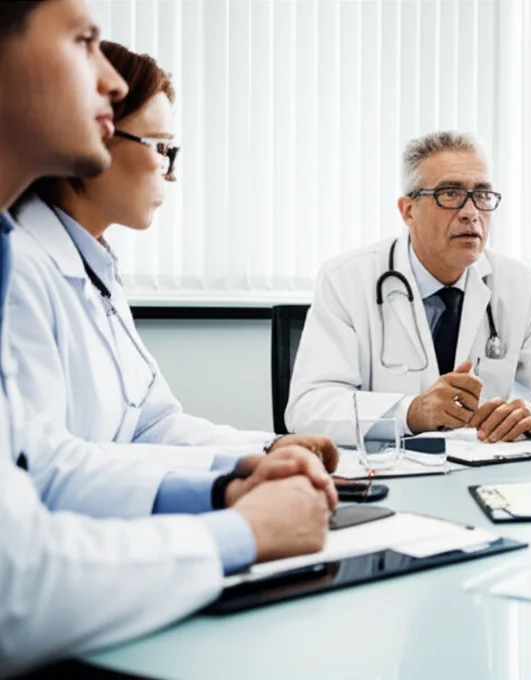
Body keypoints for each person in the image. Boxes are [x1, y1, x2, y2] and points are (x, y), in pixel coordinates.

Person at [0, 2, 332, 675]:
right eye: (81, 40)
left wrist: (240, 471)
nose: (111, 82)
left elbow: (118, 434)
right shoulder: (26, 266)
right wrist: (243, 525)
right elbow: (20, 571)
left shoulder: (70, 260)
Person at [6, 40, 339, 486]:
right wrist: (225, 492)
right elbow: (47, 467)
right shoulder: (21, 270)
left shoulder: (94, 266)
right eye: (160, 148)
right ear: (91, 134)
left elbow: (151, 424)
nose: (171, 171)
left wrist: (264, 449)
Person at [286, 130, 531, 445]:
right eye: (450, 194)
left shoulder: (519, 284)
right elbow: (308, 406)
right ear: (408, 211)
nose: (471, 213)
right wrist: (412, 412)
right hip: (386, 473)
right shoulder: (346, 278)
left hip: (481, 471)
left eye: (483, 195)